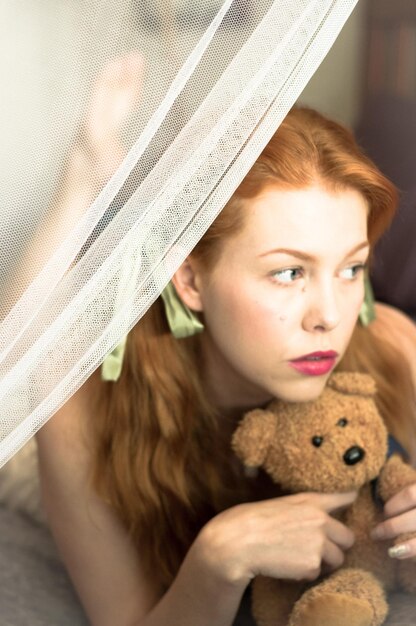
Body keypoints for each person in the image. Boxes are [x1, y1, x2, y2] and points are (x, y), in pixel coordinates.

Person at [32, 77, 416, 626]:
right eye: (288, 273)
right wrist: (216, 561)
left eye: (351, 268)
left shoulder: (395, 348)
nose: (331, 316)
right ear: (189, 281)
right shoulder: (83, 416)